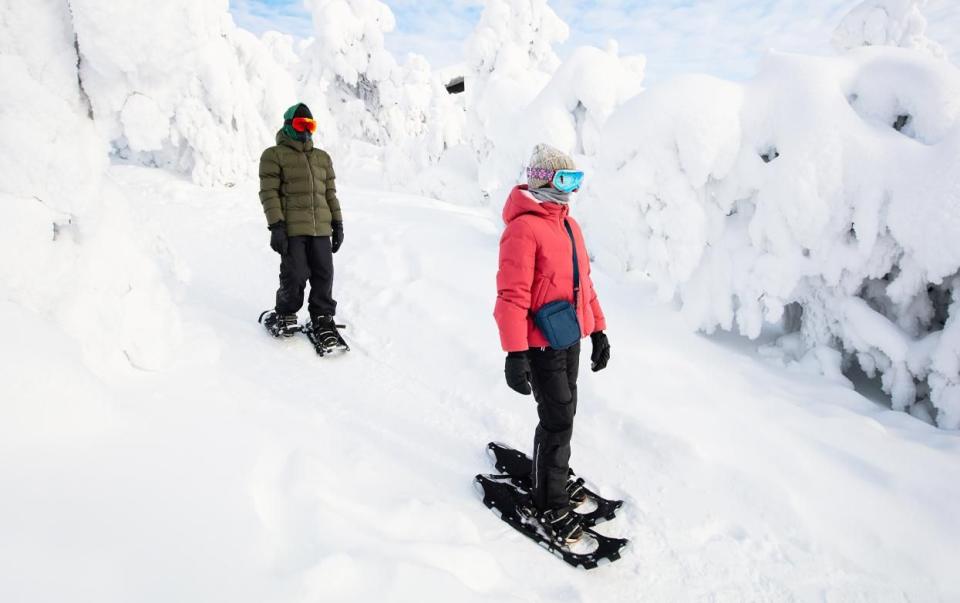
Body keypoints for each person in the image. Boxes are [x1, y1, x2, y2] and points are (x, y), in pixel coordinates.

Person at [494, 144, 611, 544]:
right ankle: (549, 500)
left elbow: (584, 285)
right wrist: (515, 352)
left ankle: (554, 474)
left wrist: (597, 330)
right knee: (557, 419)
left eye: (575, 180)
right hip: (540, 343)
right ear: (543, 179)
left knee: (566, 412)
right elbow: (511, 296)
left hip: (569, 337)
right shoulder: (523, 228)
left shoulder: (569, 225)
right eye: (564, 180)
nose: (570, 190)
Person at [258, 103, 345, 348]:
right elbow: (269, 192)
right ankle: (284, 312)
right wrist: (276, 226)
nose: (306, 130)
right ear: (288, 126)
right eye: (300, 125)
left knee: (324, 274)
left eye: (310, 125)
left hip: (321, 229)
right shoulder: (273, 155)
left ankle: (322, 317)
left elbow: (330, 193)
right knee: (295, 274)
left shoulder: (322, 157)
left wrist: (337, 223)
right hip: (292, 228)